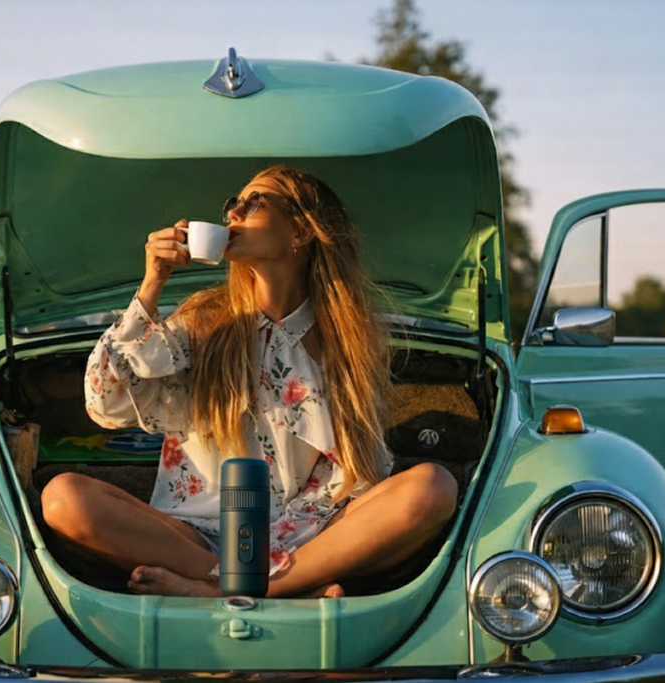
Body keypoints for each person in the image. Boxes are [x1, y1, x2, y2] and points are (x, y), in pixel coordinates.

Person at [41, 165, 459, 599]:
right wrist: (152, 282)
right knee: (63, 498)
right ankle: (284, 590)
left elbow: (362, 474)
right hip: (199, 536)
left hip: (318, 537)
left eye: (254, 202)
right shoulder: (204, 321)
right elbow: (104, 403)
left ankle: (224, 590)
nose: (233, 213)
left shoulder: (348, 336)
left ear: (300, 231)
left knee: (433, 487)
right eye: (232, 205)